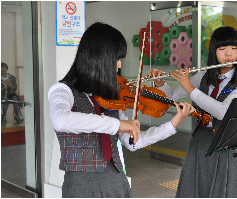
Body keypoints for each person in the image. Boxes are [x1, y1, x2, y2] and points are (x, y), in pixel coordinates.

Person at [48, 22, 196, 198]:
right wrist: (117, 124)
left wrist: (172, 124)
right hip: (82, 187)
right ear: (99, 58)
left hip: (117, 181)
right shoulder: (62, 91)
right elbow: (60, 120)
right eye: (117, 59)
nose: (119, 65)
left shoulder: (110, 98)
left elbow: (135, 142)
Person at [149, 26, 237, 197]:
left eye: (233, 49)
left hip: (227, 143)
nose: (228, 54)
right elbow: (172, 96)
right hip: (201, 140)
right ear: (214, 52)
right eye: (222, 49)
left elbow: (224, 112)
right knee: (195, 189)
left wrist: (191, 89)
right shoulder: (204, 75)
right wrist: (161, 83)